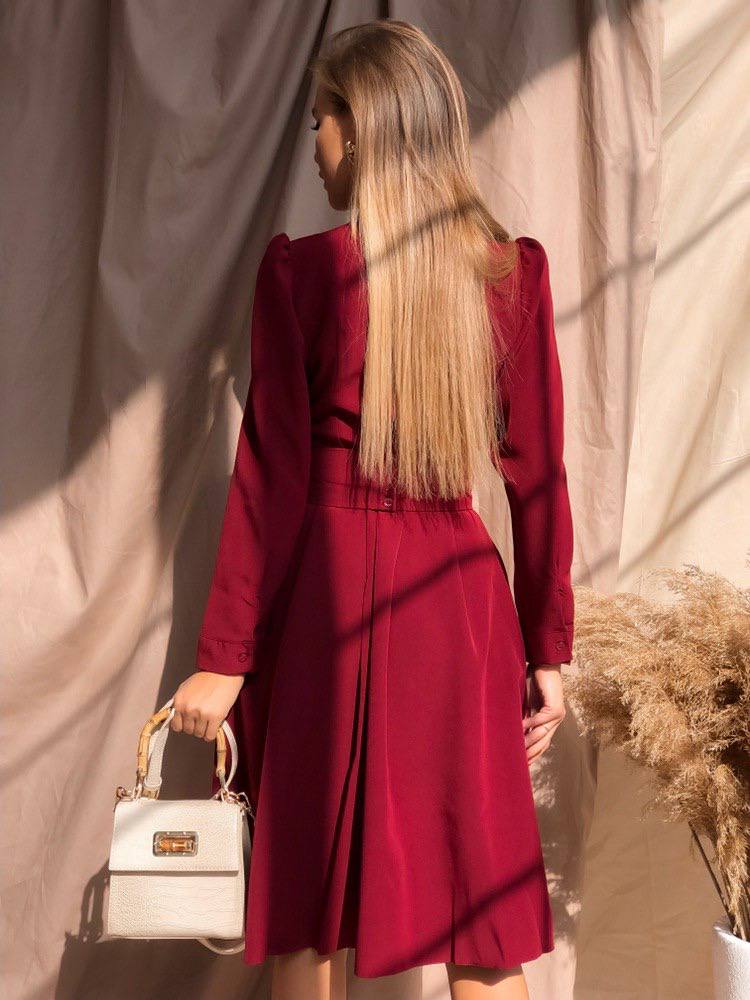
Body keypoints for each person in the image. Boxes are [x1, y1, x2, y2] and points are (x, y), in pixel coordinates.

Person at [170, 19, 574, 1000]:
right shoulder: (507, 272)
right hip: (462, 610)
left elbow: (269, 477)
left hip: (330, 606)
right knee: (480, 908)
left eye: (320, 122)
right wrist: (546, 651)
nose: (313, 146)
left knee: (313, 899)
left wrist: (225, 659)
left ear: (365, 129)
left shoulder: (303, 277)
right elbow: (540, 479)